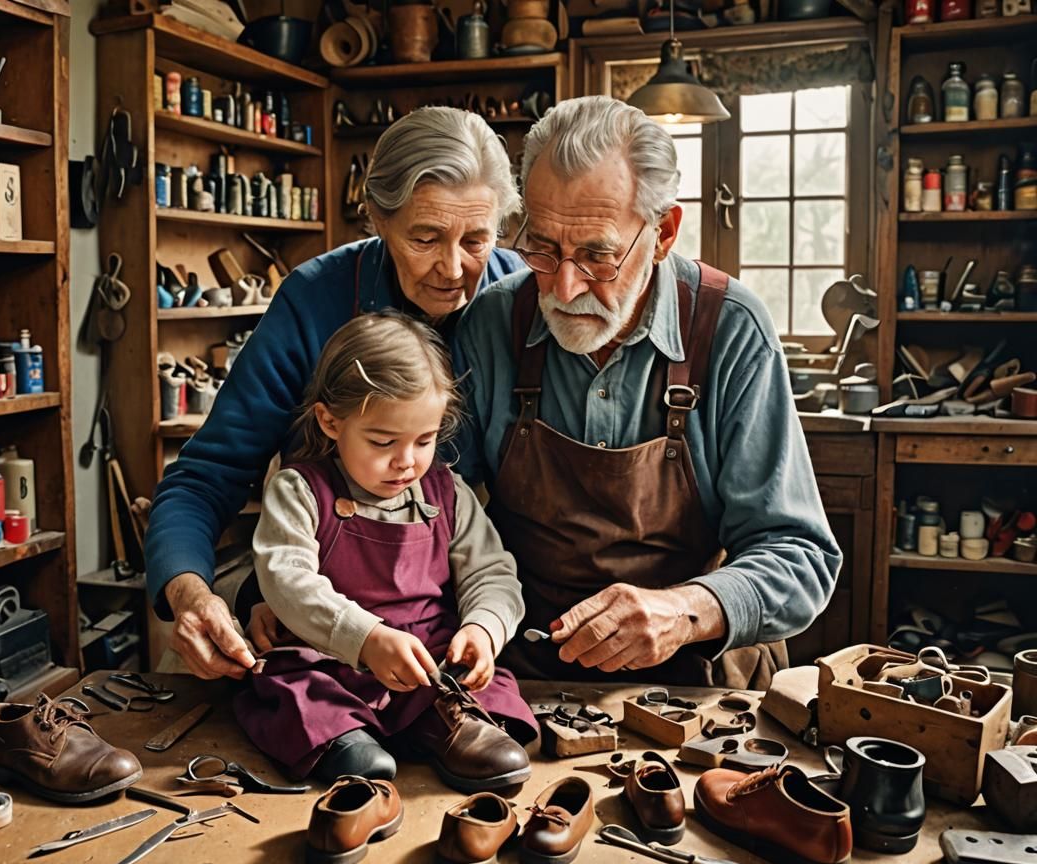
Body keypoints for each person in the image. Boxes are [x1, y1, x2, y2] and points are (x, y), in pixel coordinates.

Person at [455, 96, 842, 689]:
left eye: (597, 255)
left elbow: (799, 556)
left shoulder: (730, 328)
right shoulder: (492, 323)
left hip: (694, 679)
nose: (563, 285)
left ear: (662, 233)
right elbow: (428, 507)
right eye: (542, 247)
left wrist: (687, 611)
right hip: (519, 672)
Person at [144, 106, 524, 680]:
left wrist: (487, 617)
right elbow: (206, 476)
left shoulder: (524, 301)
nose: (453, 268)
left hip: (469, 609)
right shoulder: (313, 300)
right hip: (317, 599)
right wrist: (190, 593)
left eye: (477, 239)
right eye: (425, 237)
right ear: (376, 217)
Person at [235, 312, 536, 789]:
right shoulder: (300, 489)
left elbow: (492, 573)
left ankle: (447, 723)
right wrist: (366, 639)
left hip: (426, 663)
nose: (407, 461)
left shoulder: (448, 493)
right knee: (292, 688)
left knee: (481, 686)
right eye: (382, 441)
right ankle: (346, 738)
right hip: (328, 658)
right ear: (330, 422)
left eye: (425, 440)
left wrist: (484, 627)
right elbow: (286, 580)